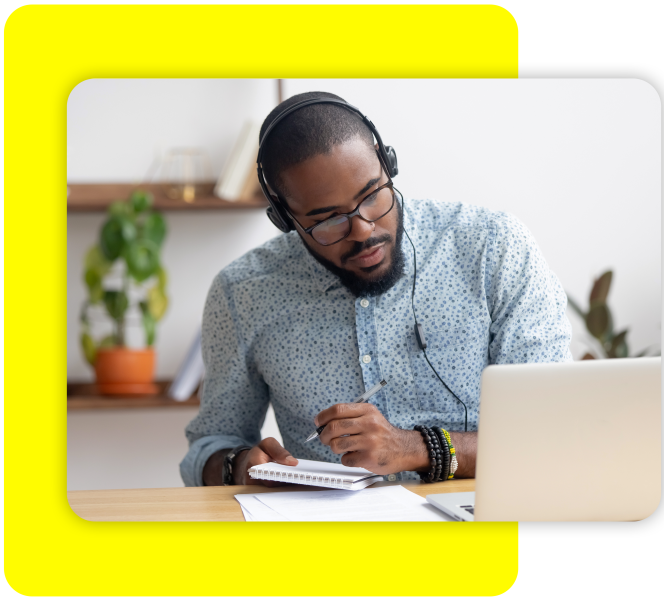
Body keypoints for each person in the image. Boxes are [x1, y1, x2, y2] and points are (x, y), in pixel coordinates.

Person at [179, 91, 573, 487]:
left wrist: (414, 448)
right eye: (328, 220)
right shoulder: (242, 293)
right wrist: (239, 465)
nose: (363, 230)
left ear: (389, 165)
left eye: (372, 196)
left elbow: (555, 432)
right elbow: (210, 446)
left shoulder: (493, 248)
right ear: (285, 219)